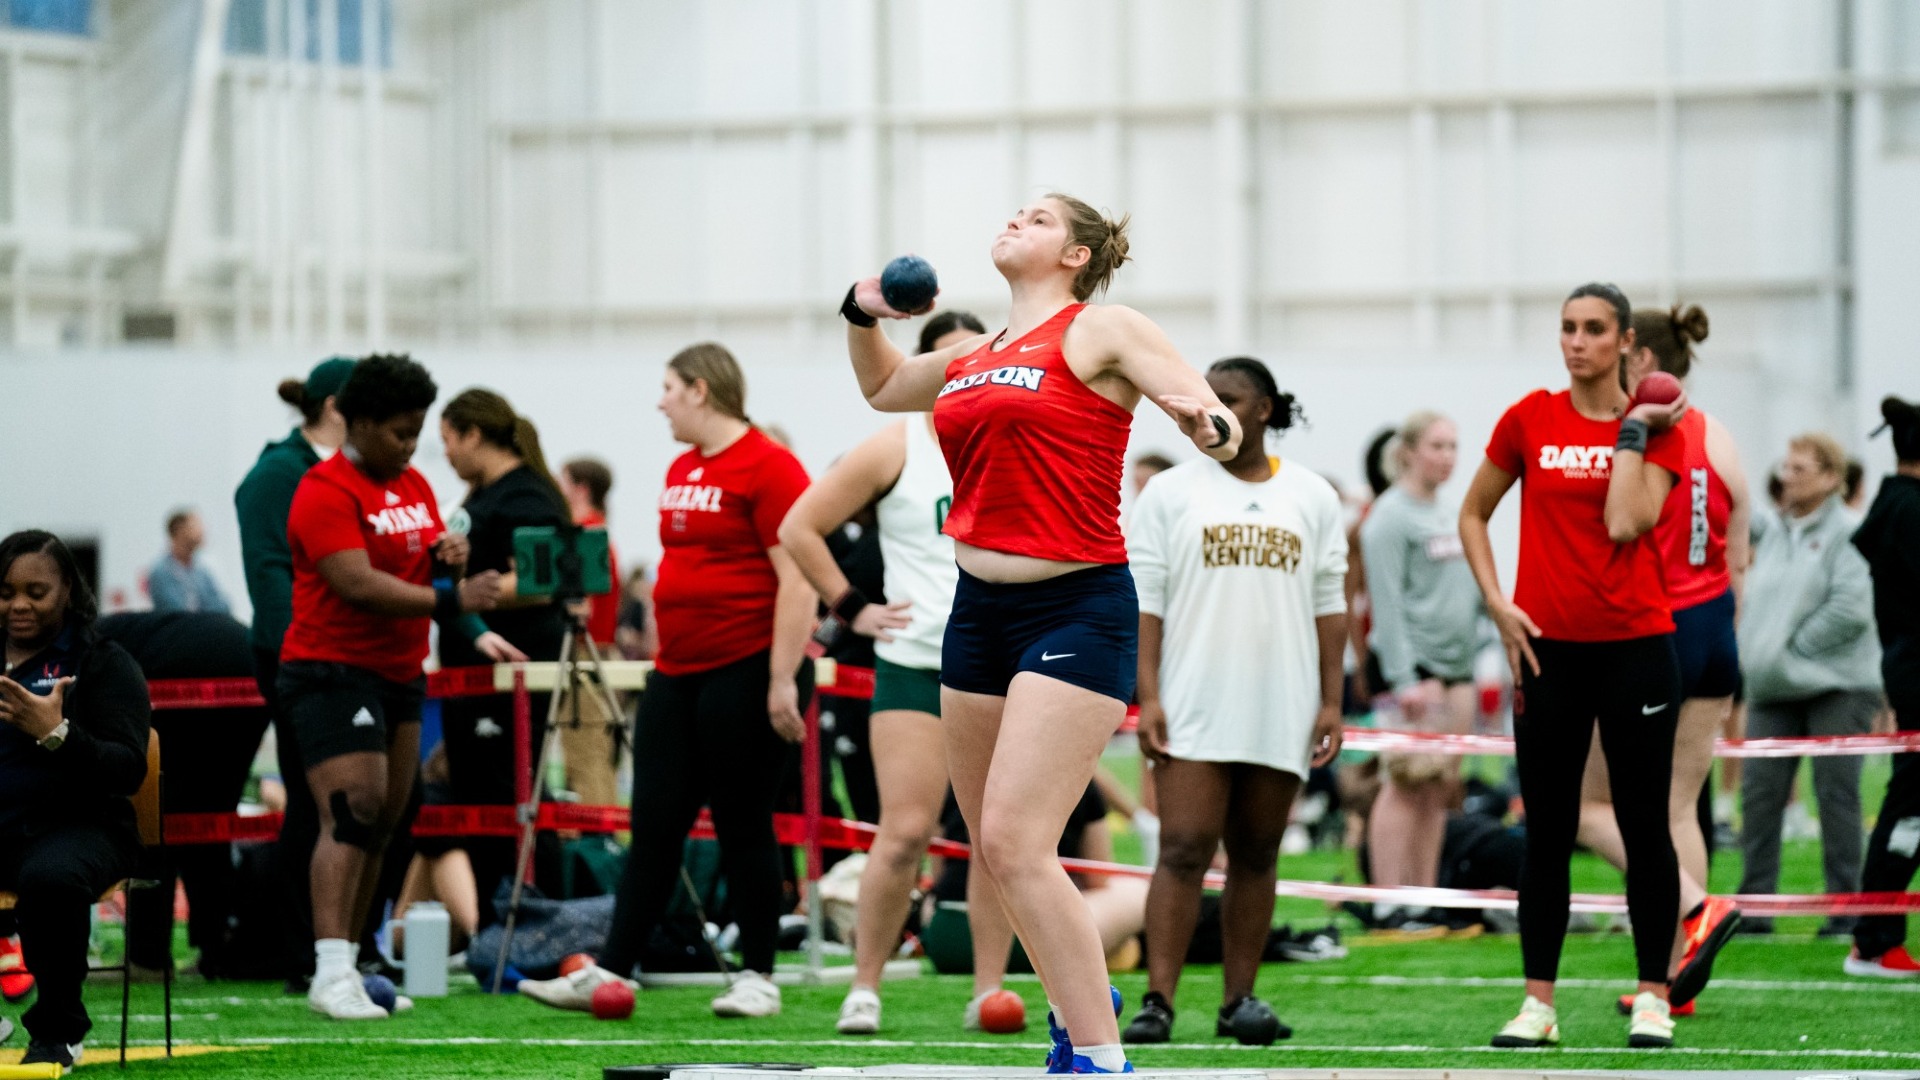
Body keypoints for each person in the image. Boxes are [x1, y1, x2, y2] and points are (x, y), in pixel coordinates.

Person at [841, 194, 1244, 1076]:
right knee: (993, 843)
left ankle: (1099, 1058)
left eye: (1038, 218)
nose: (1014, 221)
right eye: (1013, 213)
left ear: (1075, 254)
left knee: (1020, 842)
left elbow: (1221, 425)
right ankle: (1078, 1005)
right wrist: (860, 312)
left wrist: (1205, 424)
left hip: (1077, 606)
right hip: (975, 614)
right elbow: (880, 388)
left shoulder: (1102, 329)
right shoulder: (970, 355)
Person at [520, 342, 814, 1020]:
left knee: (743, 823)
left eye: (669, 388)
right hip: (676, 673)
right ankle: (611, 968)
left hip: (745, 667)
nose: (660, 402)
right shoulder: (682, 465)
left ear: (702, 390)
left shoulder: (771, 467)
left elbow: (797, 578)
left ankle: (758, 975)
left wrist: (780, 680)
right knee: (652, 825)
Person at [778, 310, 1024, 1036]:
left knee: (995, 837)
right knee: (904, 830)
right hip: (916, 661)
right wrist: (851, 607)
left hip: (1002, 665)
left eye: (974, 357)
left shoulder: (1015, 438)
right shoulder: (900, 442)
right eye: (946, 360)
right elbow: (799, 527)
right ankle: (865, 986)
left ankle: (987, 990)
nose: (962, 371)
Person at [1459, 282, 1689, 1050]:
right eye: (1566, 328)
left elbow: (1627, 520)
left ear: (1626, 341)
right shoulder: (1530, 417)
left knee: (1643, 824)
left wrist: (1634, 431)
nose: (1576, 341)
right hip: (1546, 651)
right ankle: (1537, 1005)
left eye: (1593, 329)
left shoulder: (1659, 427)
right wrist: (1498, 601)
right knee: (1548, 830)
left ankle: (1654, 993)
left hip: (1637, 649)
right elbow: (1473, 512)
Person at [1122, 357, 1346, 1046]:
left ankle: (1238, 1002)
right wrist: (1148, 696)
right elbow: (1147, 603)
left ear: (1265, 411)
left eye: (1227, 398)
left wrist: (1333, 701)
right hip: (1191, 699)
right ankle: (1158, 1000)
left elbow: (1330, 603)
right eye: (1199, 397)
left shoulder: (1311, 495)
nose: (1208, 409)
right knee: (1184, 848)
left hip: (1281, 701)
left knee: (1257, 852)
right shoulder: (1168, 492)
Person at [279, 354, 501, 1020]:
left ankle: (355, 961)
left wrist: (444, 554)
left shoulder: (412, 484)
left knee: (385, 822)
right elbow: (356, 582)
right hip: (330, 668)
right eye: (401, 432)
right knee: (354, 809)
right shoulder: (324, 490)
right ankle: (328, 969)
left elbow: (419, 548)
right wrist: (450, 597)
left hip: (400, 671)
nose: (411, 445)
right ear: (361, 423)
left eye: (417, 432)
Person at [1568, 304, 1752, 1016]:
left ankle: (1698, 906)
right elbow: (1740, 557)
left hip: (1658, 627)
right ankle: (1676, 979)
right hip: (1715, 630)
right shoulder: (1721, 433)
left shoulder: (1637, 432)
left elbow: (1611, 529)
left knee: (1587, 808)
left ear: (1638, 357)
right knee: (1677, 809)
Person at [0, 531, 151, 1070]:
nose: (18, 604)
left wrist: (56, 732)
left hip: (83, 827)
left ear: (67, 590)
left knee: (51, 877)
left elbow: (129, 768)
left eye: (35, 592)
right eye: (6, 591)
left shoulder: (103, 663)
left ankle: (57, 1030)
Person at [234, 355, 354, 986]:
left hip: (343, 656)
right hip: (299, 657)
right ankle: (299, 950)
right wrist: (307, 656)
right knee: (316, 805)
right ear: (338, 407)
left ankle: (336, 947)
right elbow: (271, 579)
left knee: (353, 804)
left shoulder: (344, 472)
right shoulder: (277, 474)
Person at [430, 388, 574, 916]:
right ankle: (496, 919)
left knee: (508, 796)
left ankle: (534, 915)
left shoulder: (526, 497)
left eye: (446, 440)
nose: (443, 454)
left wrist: (466, 595)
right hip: (471, 676)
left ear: (473, 434)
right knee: (475, 797)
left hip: (510, 672)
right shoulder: (480, 497)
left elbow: (546, 578)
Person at [1738, 432, 1882, 936]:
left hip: (1837, 686)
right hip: (1773, 688)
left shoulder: (1850, 531)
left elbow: (1851, 609)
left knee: (1836, 795)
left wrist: (1790, 650)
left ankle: (1844, 908)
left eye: (1800, 468)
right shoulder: (1775, 530)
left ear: (1830, 479)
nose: (1787, 475)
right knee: (1758, 795)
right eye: (1786, 465)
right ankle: (1755, 907)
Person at [1357, 410, 1484, 930]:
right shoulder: (1389, 517)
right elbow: (1385, 604)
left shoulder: (1452, 513)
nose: (1447, 457)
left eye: (1454, 446)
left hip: (1458, 668)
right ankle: (1389, 900)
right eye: (1437, 446)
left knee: (1440, 787)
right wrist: (1405, 679)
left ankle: (1425, 895)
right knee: (1404, 784)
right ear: (1408, 450)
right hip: (1416, 670)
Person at [95, 611, 269, 979]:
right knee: (208, 820)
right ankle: (217, 951)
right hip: (247, 661)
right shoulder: (107, 635)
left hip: (195, 664)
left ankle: (148, 958)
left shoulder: (70, 646)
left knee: (152, 812)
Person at [1847, 396, 1920, 978]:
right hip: (1915, 664)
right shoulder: (1909, 510)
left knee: (1911, 802)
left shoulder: (1891, 505)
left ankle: (1875, 933)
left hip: (1905, 662)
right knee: (1910, 802)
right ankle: (1873, 937)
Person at [556, 456, 625, 811]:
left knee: (586, 757)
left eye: (562, 480)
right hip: (596, 655)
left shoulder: (584, 533)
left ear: (579, 488)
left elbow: (585, 606)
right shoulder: (599, 531)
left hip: (585, 654)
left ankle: (600, 848)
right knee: (591, 756)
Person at [147, 509, 231, 614]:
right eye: (195, 526)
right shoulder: (161, 572)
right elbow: (176, 614)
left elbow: (222, 606)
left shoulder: (202, 571)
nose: (202, 531)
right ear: (180, 530)